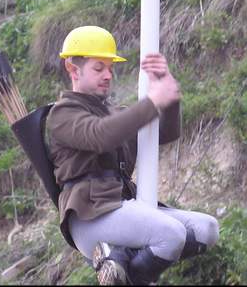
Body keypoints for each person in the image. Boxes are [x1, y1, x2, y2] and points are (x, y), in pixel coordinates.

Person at [46, 25, 219, 285]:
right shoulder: (62, 113)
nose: (107, 75)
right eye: (98, 68)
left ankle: (120, 263)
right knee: (170, 234)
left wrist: (170, 99)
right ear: (73, 69)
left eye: (110, 68)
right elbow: (100, 135)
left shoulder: (115, 114)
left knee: (207, 230)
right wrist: (152, 102)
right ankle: (121, 270)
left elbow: (164, 134)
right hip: (89, 215)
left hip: (123, 207)